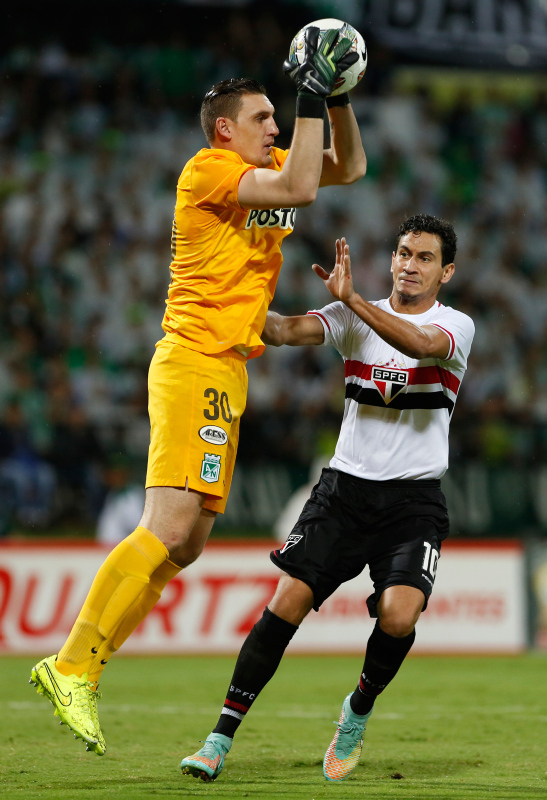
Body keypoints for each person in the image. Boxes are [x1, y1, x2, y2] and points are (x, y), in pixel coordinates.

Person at [29, 27, 367, 756]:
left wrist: (336, 94)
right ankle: (70, 665)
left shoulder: (267, 166)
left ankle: (83, 670)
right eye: (262, 118)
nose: (274, 126)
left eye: (277, 116)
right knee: (166, 524)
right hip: (192, 360)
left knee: (185, 542)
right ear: (224, 131)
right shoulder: (208, 170)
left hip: (226, 367)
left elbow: (347, 166)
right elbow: (303, 188)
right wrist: (309, 91)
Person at [180, 214, 474, 783]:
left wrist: (354, 301)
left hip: (412, 502)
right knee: (285, 603)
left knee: (399, 615)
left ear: (447, 272)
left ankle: (356, 711)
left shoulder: (454, 325)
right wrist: (224, 297)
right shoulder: (349, 316)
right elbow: (282, 331)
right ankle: (218, 739)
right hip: (343, 493)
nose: (410, 265)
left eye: (425, 258)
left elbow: (418, 344)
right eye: (403, 253)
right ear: (392, 258)